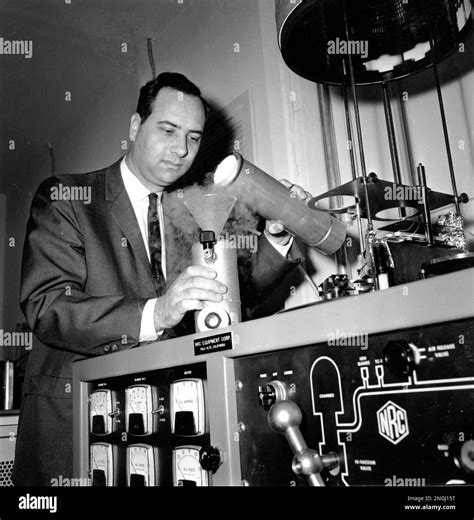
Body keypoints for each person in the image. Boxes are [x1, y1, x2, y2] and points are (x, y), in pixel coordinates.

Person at [13, 72, 309, 486]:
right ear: (135, 127)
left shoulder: (189, 213)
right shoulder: (68, 198)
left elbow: (233, 298)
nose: (182, 150)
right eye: (168, 130)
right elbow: (48, 307)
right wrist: (157, 312)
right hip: (74, 432)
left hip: (165, 439)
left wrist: (275, 240)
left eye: (193, 136)